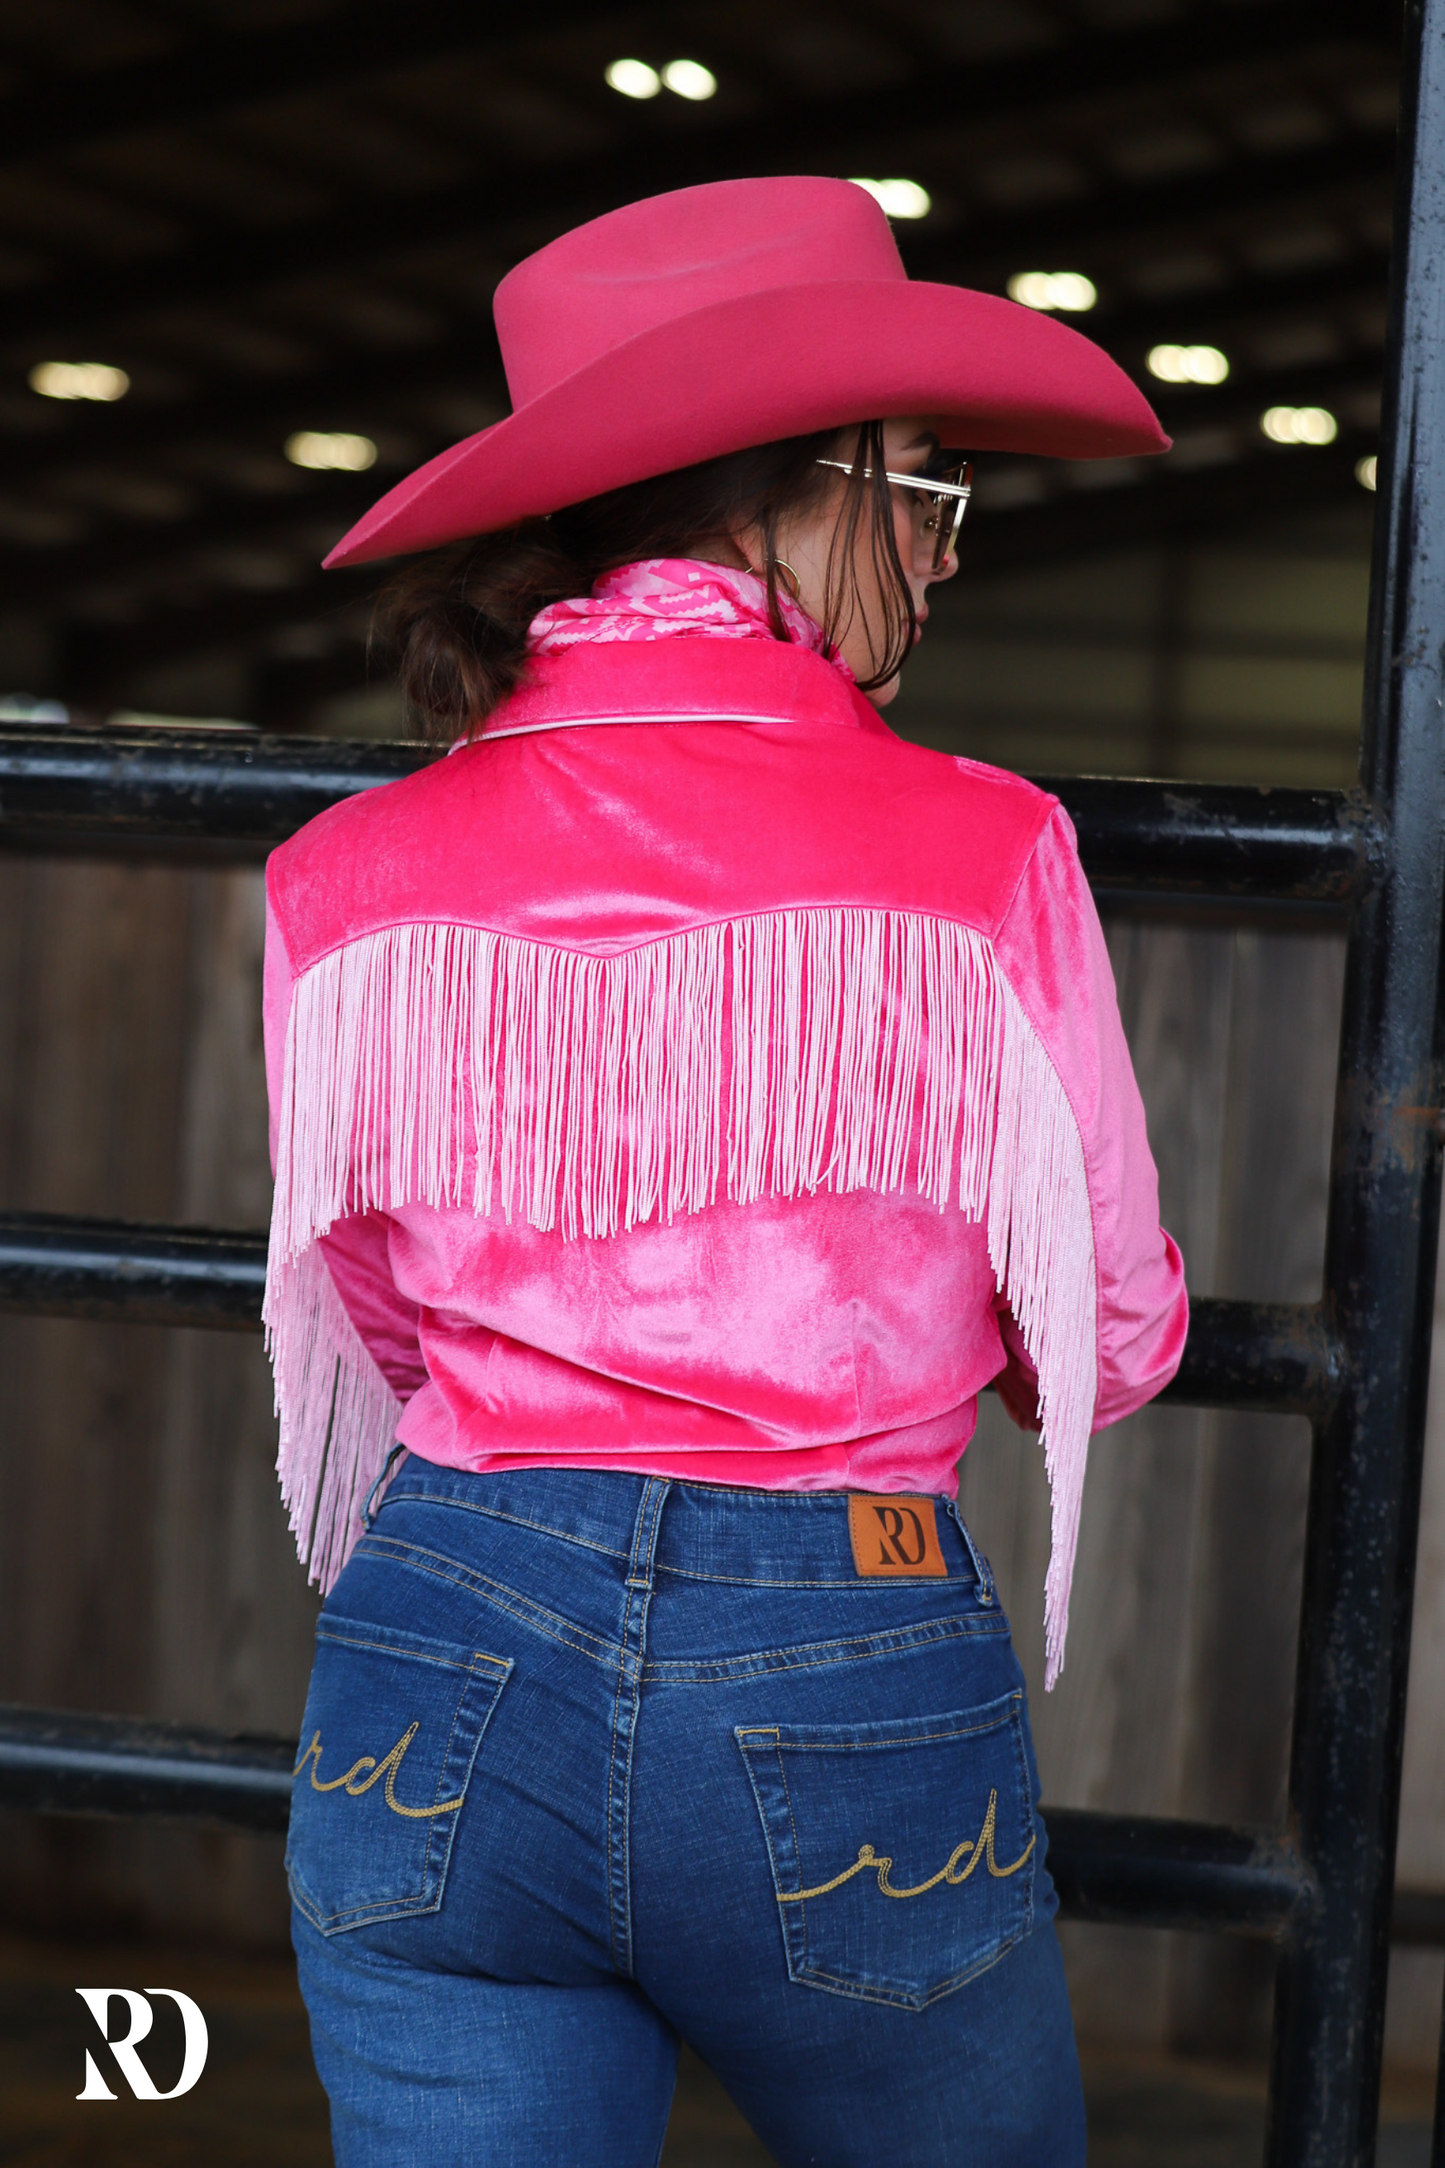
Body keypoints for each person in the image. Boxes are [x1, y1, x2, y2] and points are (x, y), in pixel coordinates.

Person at [264, 175, 1188, 2168]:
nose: (938, 564)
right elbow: (1103, 1337)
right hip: (831, 1645)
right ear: (798, 480)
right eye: (923, 492)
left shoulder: (338, 884)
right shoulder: (984, 853)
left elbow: (375, 1313)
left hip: (444, 1631)